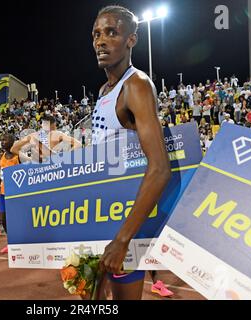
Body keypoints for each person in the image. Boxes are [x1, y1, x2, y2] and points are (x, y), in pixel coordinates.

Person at [91, 6, 172, 300]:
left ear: (131, 40)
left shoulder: (135, 85)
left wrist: (123, 239)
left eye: (111, 32)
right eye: (97, 34)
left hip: (123, 227)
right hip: (98, 218)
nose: (101, 41)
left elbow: (160, 168)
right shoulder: (103, 91)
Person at [0, 134, 20, 255]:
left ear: (12, 142)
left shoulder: (18, 157)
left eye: (5, 139)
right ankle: (11, 243)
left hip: (15, 194)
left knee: (16, 220)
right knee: (3, 220)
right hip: (3, 193)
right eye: (1, 140)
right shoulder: (1, 157)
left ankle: (19, 242)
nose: (2, 142)